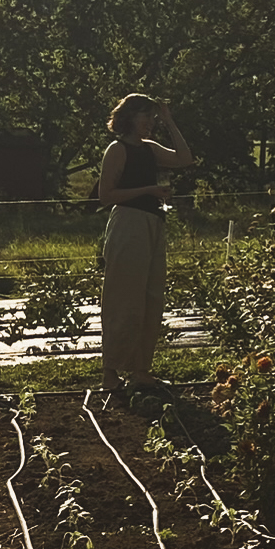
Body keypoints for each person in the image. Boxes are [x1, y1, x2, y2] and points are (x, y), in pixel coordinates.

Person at [95, 94, 194, 393]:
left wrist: (169, 120)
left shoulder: (149, 149)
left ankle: (141, 370)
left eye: (153, 117)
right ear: (130, 117)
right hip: (127, 224)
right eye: (146, 117)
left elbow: (184, 159)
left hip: (153, 224)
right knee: (123, 297)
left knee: (151, 298)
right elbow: (106, 196)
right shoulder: (118, 149)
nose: (150, 122)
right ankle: (110, 373)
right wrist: (150, 189)